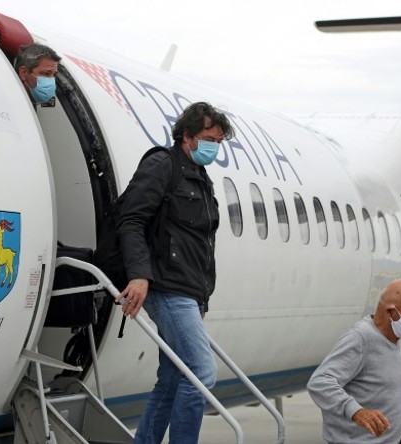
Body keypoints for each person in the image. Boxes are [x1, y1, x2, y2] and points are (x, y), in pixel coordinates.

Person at [113, 102, 234, 444]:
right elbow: (132, 220)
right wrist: (139, 275)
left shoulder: (200, 178)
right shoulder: (162, 165)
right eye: (209, 138)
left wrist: (202, 299)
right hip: (167, 288)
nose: (214, 147)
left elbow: (201, 245)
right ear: (187, 136)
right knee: (200, 373)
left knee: (171, 378)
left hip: (189, 293)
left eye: (219, 141)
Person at [307, 279, 401, 444]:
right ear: (391, 312)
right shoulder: (361, 338)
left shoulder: (392, 336)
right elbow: (320, 382)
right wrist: (356, 411)